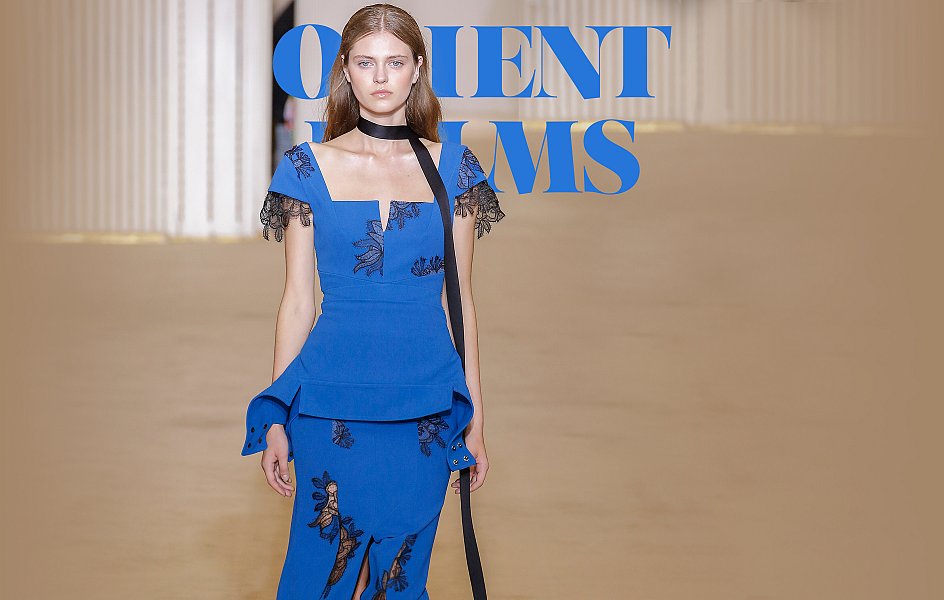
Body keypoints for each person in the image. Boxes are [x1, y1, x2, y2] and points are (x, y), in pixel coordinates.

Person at [240, 4, 505, 599]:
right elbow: (297, 301)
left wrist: (476, 423)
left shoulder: (455, 170)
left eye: (395, 62)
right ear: (346, 71)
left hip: (424, 409)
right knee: (323, 578)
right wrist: (277, 413)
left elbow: (461, 304)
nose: (381, 77)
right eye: (366, 63)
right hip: (328, 402)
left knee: (398, 581)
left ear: (417, 70)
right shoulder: (307, 168)